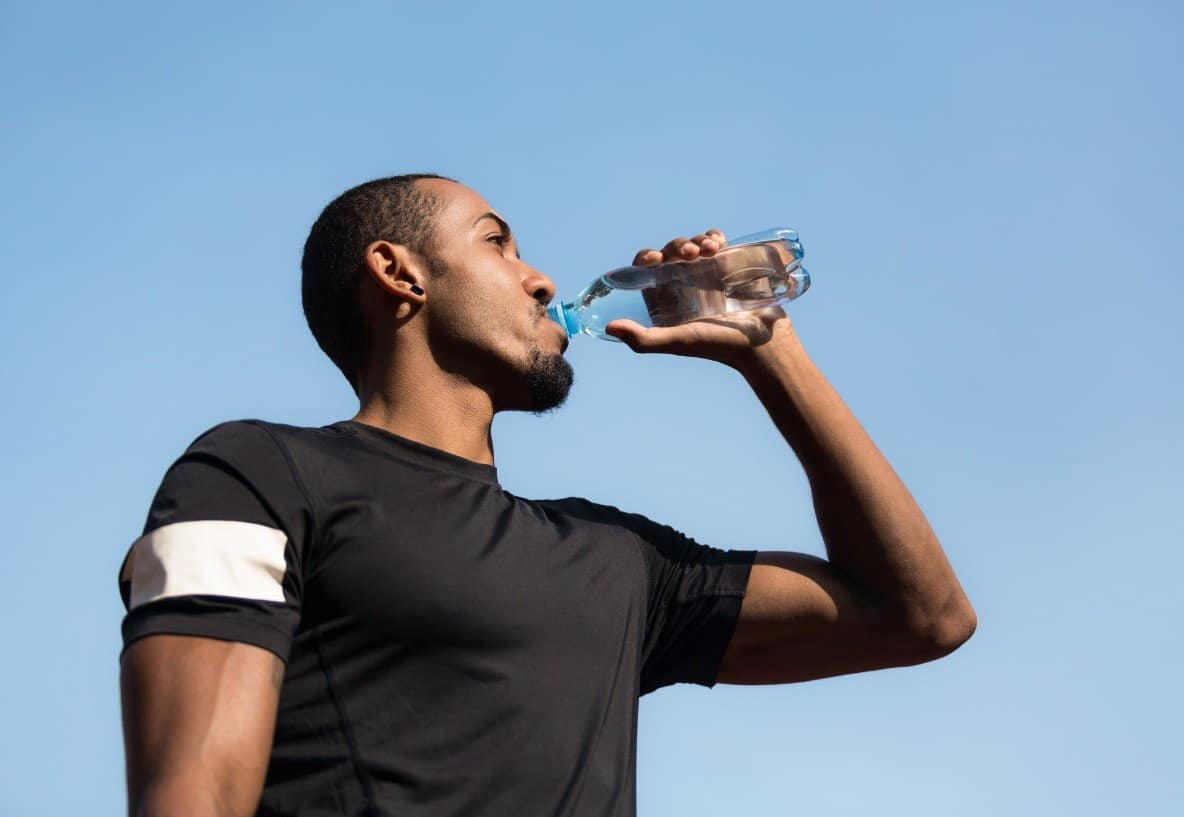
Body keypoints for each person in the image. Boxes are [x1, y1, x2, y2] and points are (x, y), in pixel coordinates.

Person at [117, 173, 977, 817]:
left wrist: (769, 350)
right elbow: (192, 789)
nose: (538, 279)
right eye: (497, 242)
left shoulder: (620, 561)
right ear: (399, 273)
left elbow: (922, 614)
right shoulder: (260, 472)